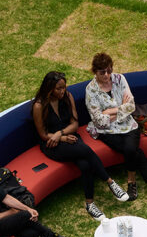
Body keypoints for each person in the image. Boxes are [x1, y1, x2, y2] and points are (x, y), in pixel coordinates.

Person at [85, 52, 147, 214]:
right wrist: (121, 109)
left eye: (109, 70)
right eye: (102, 72)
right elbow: (99, 122)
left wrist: (110, 111)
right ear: (95, 72)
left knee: (131, 150)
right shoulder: (91, 91)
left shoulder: (119, 79)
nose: (107, 75)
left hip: (129, 126)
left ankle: (135, 183)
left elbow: (131, 107)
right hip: (107, 132)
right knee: (136, 152)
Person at [32, 71, 129, 221]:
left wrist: (62, 133)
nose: (62, 91)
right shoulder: (39, 106)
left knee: (84, 164)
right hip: (52, 144)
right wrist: (60, 137)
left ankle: (90, 204)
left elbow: (75, 124)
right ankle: (110, 182)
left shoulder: (67, 97)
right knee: (85, 150)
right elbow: (43, 134)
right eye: (58, 88)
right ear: (49, 88)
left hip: (69, 136)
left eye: (64, 87)